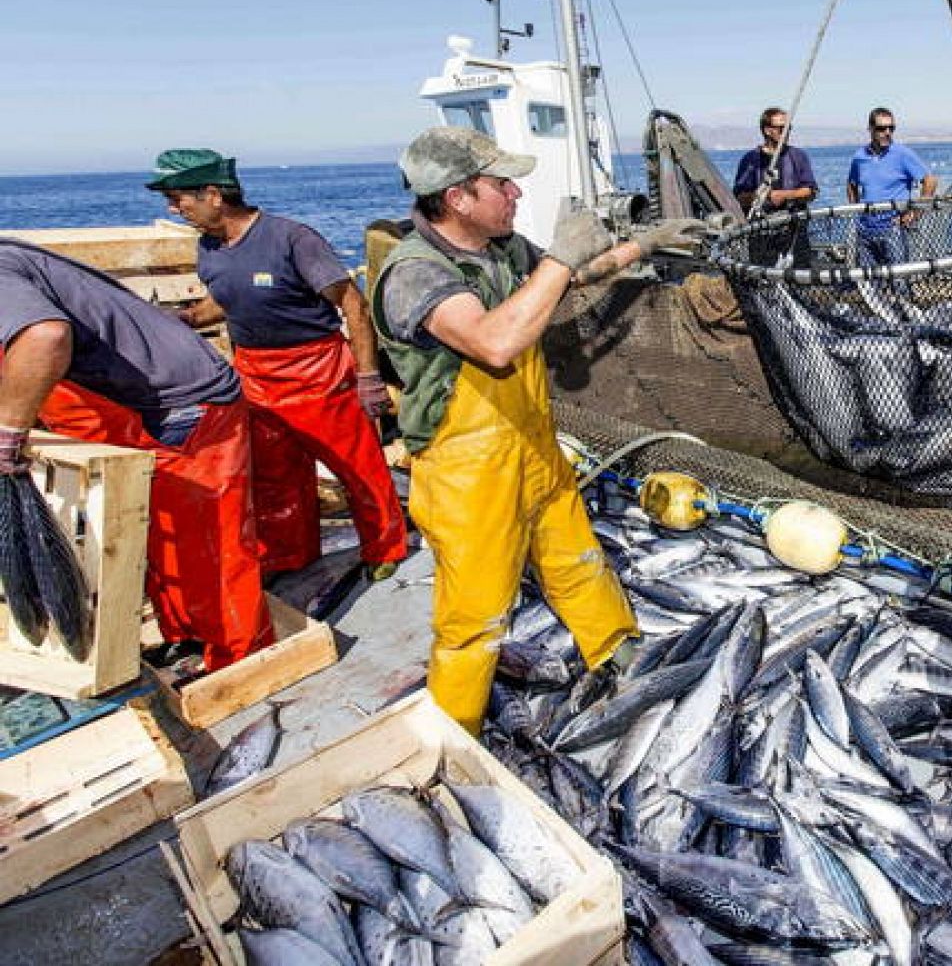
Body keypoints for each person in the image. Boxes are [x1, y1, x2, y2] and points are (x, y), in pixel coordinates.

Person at [371, 125, 706, 734]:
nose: (515, 193)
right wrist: (557, 258)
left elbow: (569, 279)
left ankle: (616, 650)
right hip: (466, 469)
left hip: (530, 443)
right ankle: (455, 734)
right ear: (457, 198)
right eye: (501, 183)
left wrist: (645, 247)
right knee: (474, 615)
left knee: (576, 556)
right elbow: (495, 343)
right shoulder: (415, 273)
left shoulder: (498, 247)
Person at [0, 238, 273, 672]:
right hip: (130, 403)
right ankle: (188, 637)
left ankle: (241, 660)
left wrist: (9, 433)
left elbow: (46, 338)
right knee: (156, 533)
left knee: (208, 543)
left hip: (181, 405)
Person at [147, 149, 408, 583]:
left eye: (178, 199)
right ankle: (291, 556)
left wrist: (367, 376)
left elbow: (353, 304)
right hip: (255, 375)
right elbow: (224, 297)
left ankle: (385, 548)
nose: (174, 209)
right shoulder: (210, 248)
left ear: (213, 195)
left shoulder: (291, 239)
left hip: (317, 371)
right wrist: (192, 317)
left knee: (356, 468)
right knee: (274, 476)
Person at [845, 106, 937, 268]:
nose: (887, 132)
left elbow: (930, 181)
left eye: (891, 128)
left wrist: (915, 213)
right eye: (881, 128)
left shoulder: (902, 154)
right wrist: (856, 212)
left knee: (899, 281)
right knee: (869, 284)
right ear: (870, 129)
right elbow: (851, 184)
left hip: (893, 229)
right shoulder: (859, 156)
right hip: (865, 230)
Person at [732, 107, 818, 268]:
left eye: (789, 128)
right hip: (762, 233)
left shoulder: (798, 157)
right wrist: (760, 195)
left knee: (800, 277)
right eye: (781, 128)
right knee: (763, 280)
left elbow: (811, 190)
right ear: (767, 130)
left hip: (795, 231)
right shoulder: (750, 161)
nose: (787, 132)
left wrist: (785, 195)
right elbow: (739, 197)